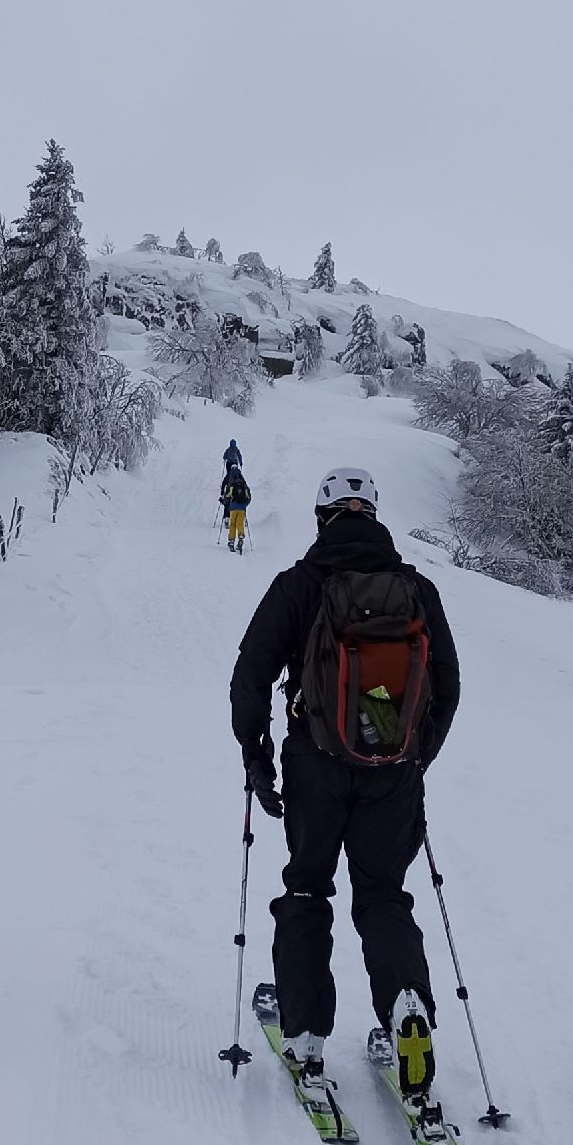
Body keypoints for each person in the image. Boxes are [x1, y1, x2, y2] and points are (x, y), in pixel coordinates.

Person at [229, 464, 460, 1093]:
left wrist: (257, 755)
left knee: (308, 889)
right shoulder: (416, 589)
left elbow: (251, 675)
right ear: (374, 517)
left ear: (321, 518)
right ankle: (407, 1006)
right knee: (383, 895)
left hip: (315, 765)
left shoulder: (299, 584)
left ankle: (305, 1035)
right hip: (393, 771)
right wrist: (416, 758)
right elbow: (447, 685)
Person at [219, 460, 250, 551]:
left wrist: (223, 501)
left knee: (232, 524)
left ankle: (231, 541)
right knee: (240, 523)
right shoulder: (243, 482)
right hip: (242, 508)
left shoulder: (231, 482)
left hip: (233, 507)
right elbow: (248, 496)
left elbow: (227, 497)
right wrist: (245, 504)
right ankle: (240, 535)